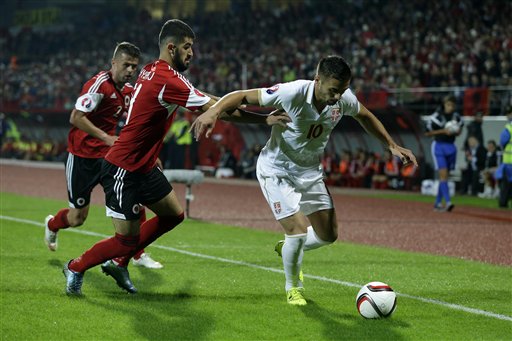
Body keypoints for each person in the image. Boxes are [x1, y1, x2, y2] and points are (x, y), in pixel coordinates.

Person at [61, 19, 291, 296]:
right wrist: (262, 119)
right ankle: (76, 266)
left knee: (173, 215)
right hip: (123, 167)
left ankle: (119, 262)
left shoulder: (154, 71)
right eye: (187, 47)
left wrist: (247, 110)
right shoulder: (167, 79)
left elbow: (214, 103)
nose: (191, 53)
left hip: (143, 165)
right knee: (125, 240)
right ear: (172, 47)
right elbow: (216, 108)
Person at [191, 55, 417, 306]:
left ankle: (287, 248)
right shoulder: (292, 93)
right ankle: (293, 288)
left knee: (327, 235)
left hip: (310, 172)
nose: (337, 97)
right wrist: (213, 112)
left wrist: (391, 145)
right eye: (333, 91)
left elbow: (364, 115)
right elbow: (241, 95)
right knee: (297, 232)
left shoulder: (343, 98)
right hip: (277, 170)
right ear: (317, 80)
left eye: (341, 91)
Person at [44, 42, 163, 269]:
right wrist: (106, 137)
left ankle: (138, 254)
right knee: (77, 218)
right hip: (81, 157)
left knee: (133, 198)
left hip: (109, 158)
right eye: (126, 65)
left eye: (134, 66)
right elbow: (76, 117)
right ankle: (52, 224)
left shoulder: (128, 92)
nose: (130, 70)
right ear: (114, 63)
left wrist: (145, 153)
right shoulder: (98, 85)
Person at [425, 95, 463, 212]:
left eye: (452, 105)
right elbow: (427, 133)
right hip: (439, 146)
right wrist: (443, 131)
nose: (450, 107)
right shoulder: (436, 117)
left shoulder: (457, 117)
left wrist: (455, 131)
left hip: (451, 147)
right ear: (444, 104)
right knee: (443, 174)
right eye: (448, 104)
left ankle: (437, 203)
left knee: (445, 176)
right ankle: (448, 202)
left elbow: (459, 131)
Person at [495, 106, 512, 208]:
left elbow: (502, 142)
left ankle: (503, 203)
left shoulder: (509, 128)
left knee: (506, 185)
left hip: (509, 162)